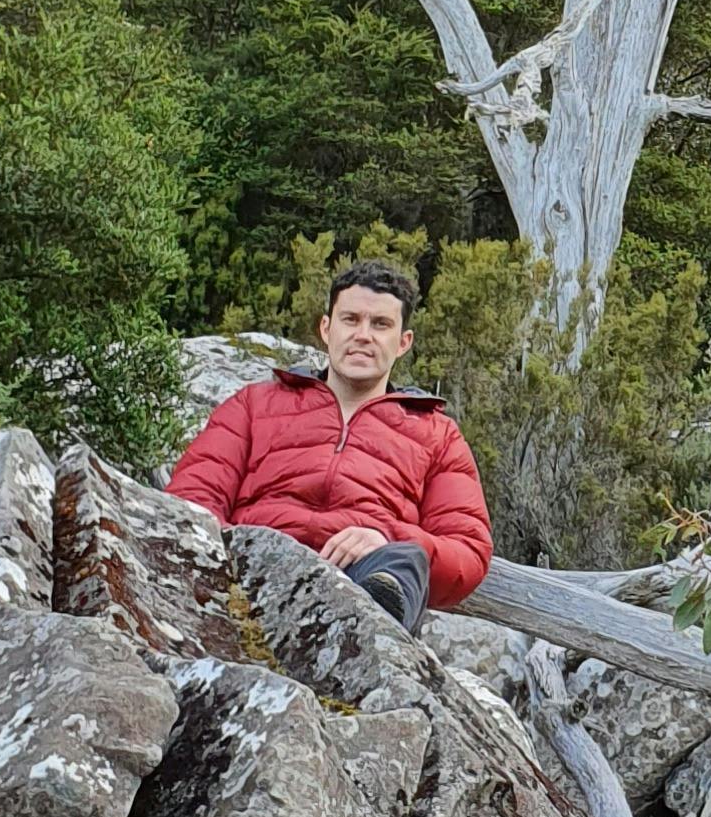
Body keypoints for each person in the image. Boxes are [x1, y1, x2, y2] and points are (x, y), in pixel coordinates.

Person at [164, 258, 494, 632]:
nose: (363, 335)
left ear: (404, 342)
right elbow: (193, 496)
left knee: (402, 560)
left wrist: (386, 535)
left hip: (361, 579)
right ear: (326, 328)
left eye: (381, 324)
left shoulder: (437, 434)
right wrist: (236, 549)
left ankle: (370, 636)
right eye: (350, 319)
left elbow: (467, 549)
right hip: (251, 567)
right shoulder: (255, 405)